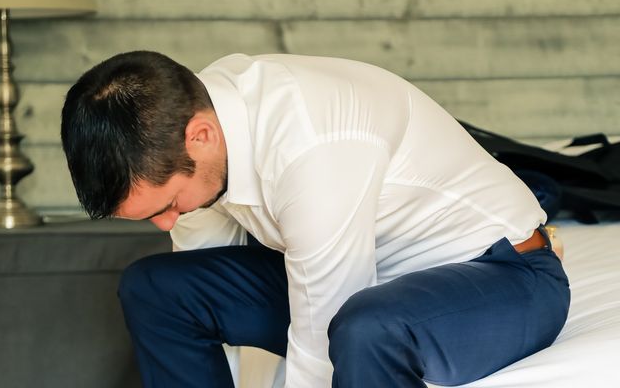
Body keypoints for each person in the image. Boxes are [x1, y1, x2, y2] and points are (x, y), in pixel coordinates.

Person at [61, 51, 570, 388]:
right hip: (373, 280)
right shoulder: (197, 118)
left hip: (505, 277)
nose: (166, 222)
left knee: (364, 328)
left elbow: (324, 326)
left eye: (167, 204)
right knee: (156, 287)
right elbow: (200, 272)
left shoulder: (312, 142)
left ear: (200, 136)